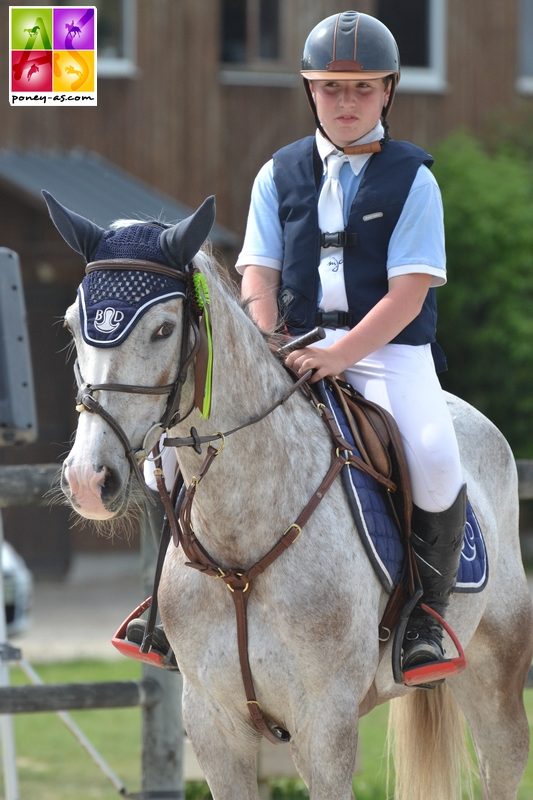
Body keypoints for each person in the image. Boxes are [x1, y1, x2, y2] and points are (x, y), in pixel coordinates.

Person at [238, 10, 466, 684]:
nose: (346, 102)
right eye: (331, 88)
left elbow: (408, 295)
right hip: (292, 343)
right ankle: (164, 610)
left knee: (431, 450)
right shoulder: (275, 174)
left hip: (388, 348)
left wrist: (342, 356)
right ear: (309, 89)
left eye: (362, 88)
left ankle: (427, 616)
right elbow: (259, 273)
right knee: (177, 450)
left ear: (388, 90)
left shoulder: (413, 179)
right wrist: (266, 342)